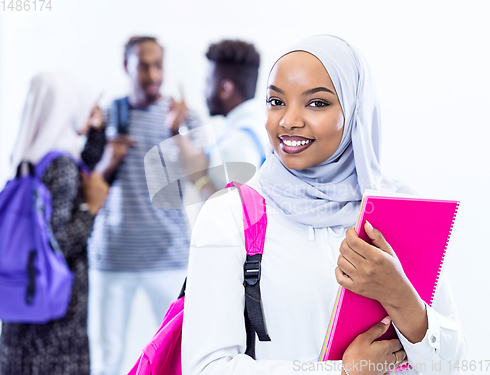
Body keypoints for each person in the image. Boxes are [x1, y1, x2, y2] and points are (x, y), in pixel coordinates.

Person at [182, 35, 466, 374]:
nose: (288, 120)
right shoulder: (229, 216)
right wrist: (342, 372)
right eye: (276, 102)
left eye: (316, 103)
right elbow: (207, 367)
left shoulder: (401, 210)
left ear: (354, 112)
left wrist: (402, 299)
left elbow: (453, 366)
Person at [87, 36, 198, 375]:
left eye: (157, 65)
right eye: (143, 66)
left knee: (178, 354)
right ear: (127, 67)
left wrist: (180, 133)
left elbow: (204, 181)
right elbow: (84, 186)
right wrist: (106, 159)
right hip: (113, 257)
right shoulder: (107, 117)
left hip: (168, 256)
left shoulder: (181, 117)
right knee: (108, 357)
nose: (152, 74)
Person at [0, 71, 109, 374]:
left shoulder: (25, 159)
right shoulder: (61, 165)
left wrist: (97, 134)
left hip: (24, 300)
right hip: (56, 318)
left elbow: (76, 176)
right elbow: (58, 243)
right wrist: (91, 210)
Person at [169, 39, 267, 199]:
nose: (204, 91)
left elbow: (239, 216)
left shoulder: (236, 145)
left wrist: (199, 180)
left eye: (208, 82)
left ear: (225, 89)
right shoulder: (258, 127)